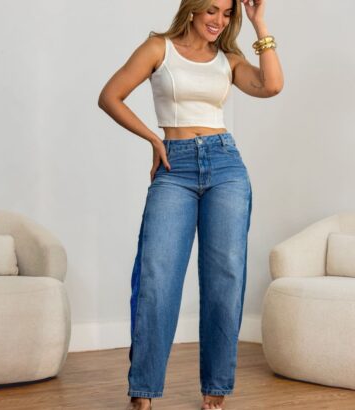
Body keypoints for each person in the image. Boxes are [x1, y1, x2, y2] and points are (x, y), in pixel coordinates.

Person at [98, 0, 283, 408]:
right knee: (157, 277)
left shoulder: (228, 60)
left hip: (225, 165)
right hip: (175, 166)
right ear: (193, 9)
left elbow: (271, 85)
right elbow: (110, 96)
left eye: (227, 13)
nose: (219, 20)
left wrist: (259, 23)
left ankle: (215, 389)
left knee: (225, 278)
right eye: (212, 10)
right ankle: (143, 391)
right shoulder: (158, 48)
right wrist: (153, 138)